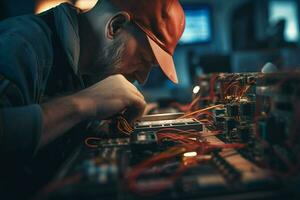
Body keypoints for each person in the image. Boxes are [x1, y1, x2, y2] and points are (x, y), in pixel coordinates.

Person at [0, 0, 185, 165]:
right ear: (116, 26)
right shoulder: (18, 45)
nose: (142, 78)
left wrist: (100, 126)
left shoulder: (92, 67)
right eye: (144, 60)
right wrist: (86, 103)